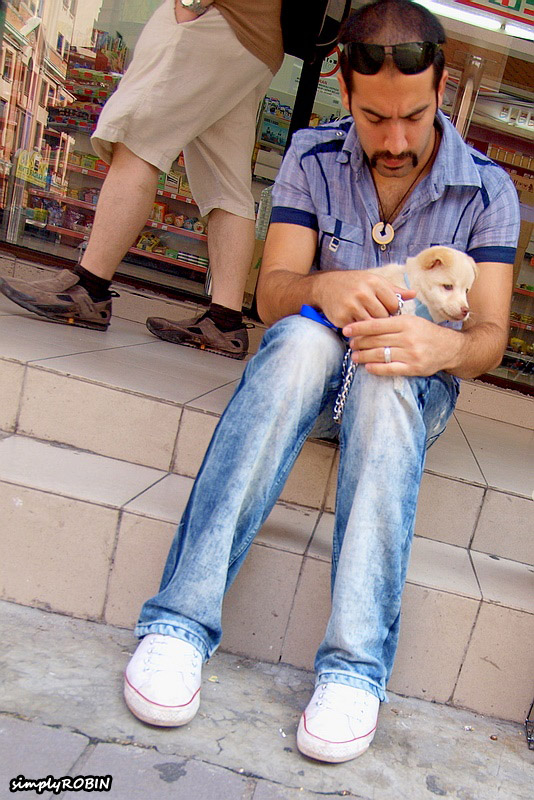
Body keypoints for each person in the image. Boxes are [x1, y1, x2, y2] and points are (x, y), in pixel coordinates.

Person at [123, 0, 519, 764]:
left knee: (386, 371)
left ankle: (355, 670)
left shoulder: (487, 190)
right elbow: (269, 295)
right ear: (343, 87)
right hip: (305, 378)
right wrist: (323, 290)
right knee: (302, 338)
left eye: (414, 116)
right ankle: (178, 623)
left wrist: (440, 345)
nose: (396, 141)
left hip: (406, 391)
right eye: (375, 118)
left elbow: (491, 339)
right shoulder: (311, 155)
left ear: (441, 89)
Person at [0, 0, 283, 359]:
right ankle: (225, 322)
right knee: (226, 181)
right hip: (260, 41)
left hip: (215, 19)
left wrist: (189, 5)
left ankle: (89, 287)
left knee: (135, 140)